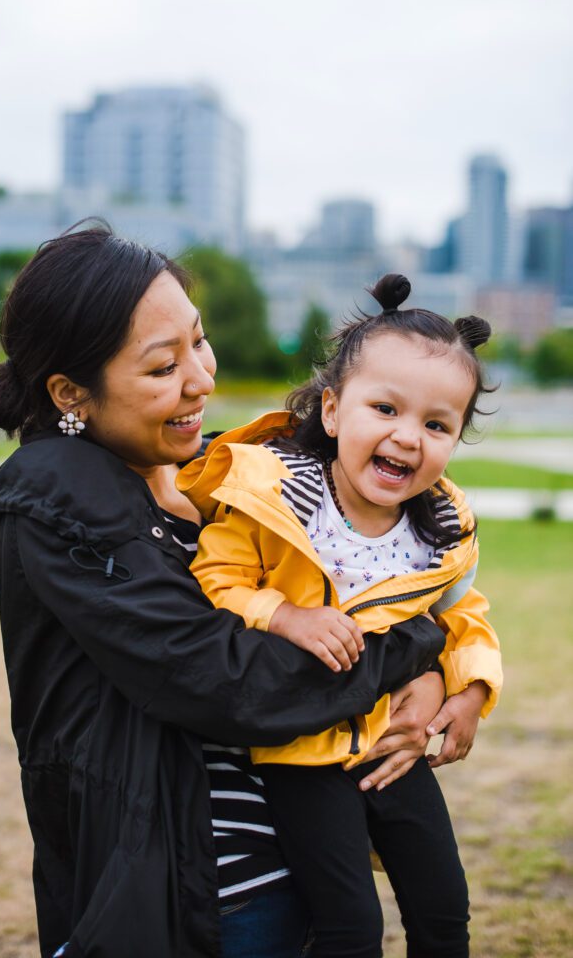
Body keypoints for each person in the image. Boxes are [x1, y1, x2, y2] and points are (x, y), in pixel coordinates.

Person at [0, 227, 448, 958]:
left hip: (315, 868)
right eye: (163, 367)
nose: (201, 378)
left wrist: (439, 681)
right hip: (198, 900)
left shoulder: (236, 474)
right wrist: (415, 648)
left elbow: (373, 579)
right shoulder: (55, 495)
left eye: (199, 341)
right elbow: (228, 683)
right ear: (72, 394)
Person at [178, 273, 503, 958]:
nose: (408, 438)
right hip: (302, 755)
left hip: (394, 741)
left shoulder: (435, 531)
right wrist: (285, 615)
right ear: (332, 411)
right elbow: (217, 578)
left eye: (437, 424)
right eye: (385, 409)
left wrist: (468, 687)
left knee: (444, 910)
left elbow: (462, 614)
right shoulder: (275, 499)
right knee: (350, 925)